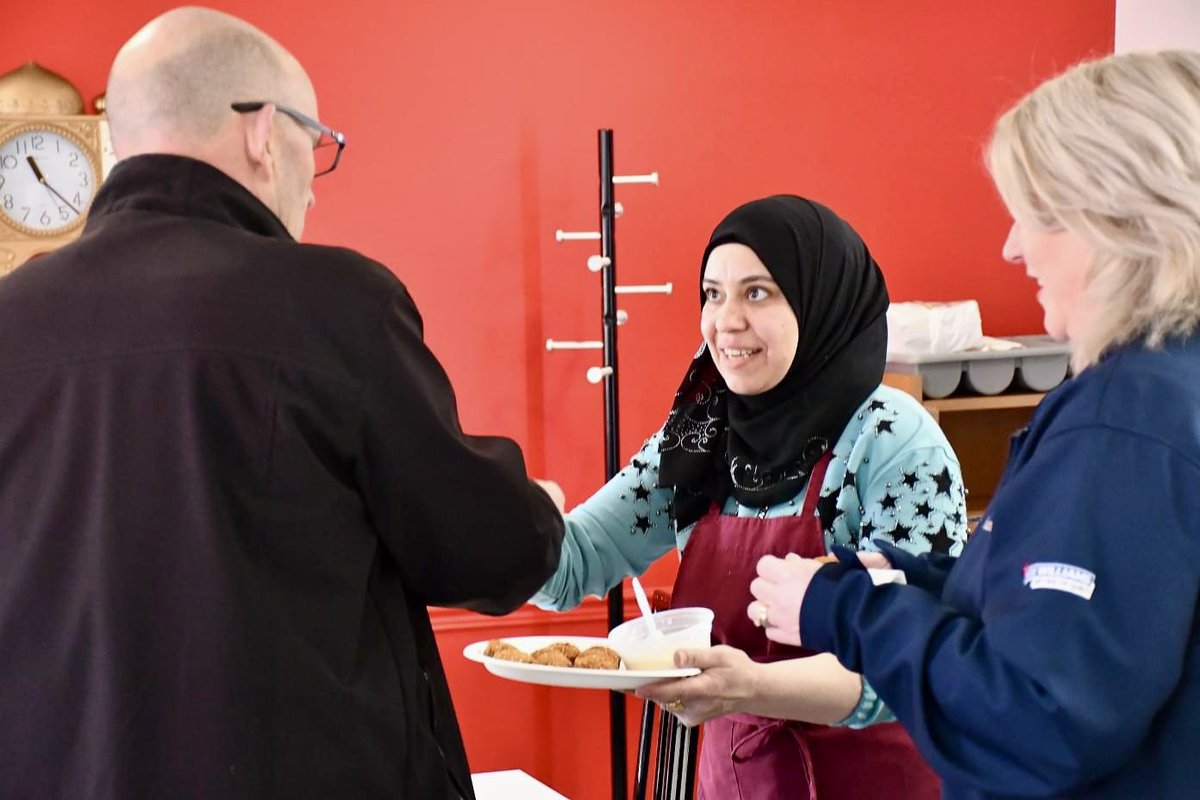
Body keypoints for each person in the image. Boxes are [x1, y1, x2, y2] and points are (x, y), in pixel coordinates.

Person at [0, 8, 563, 799]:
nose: (311, 183)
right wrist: (533, 506)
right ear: (265, 132)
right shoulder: (331, 302)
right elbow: (486, 549)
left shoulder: (11, 317)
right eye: (316, 144)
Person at [750, 50, 1200, 800]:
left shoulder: (1124, 420)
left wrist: (846, 608)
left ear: (1112, 213)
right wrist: (934, 586)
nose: (1011, 247)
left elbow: (1040, 717)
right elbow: (1107, 623)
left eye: (1034, 215)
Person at [534, 194, 969, 798]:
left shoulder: (891, 440)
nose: (725, 321)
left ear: (821, 300)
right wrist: (505, 511)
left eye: (757, 292)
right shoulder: (700, 435)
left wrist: (751, 686)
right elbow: (574, 562)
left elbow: (913, 663)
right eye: (712, 294)